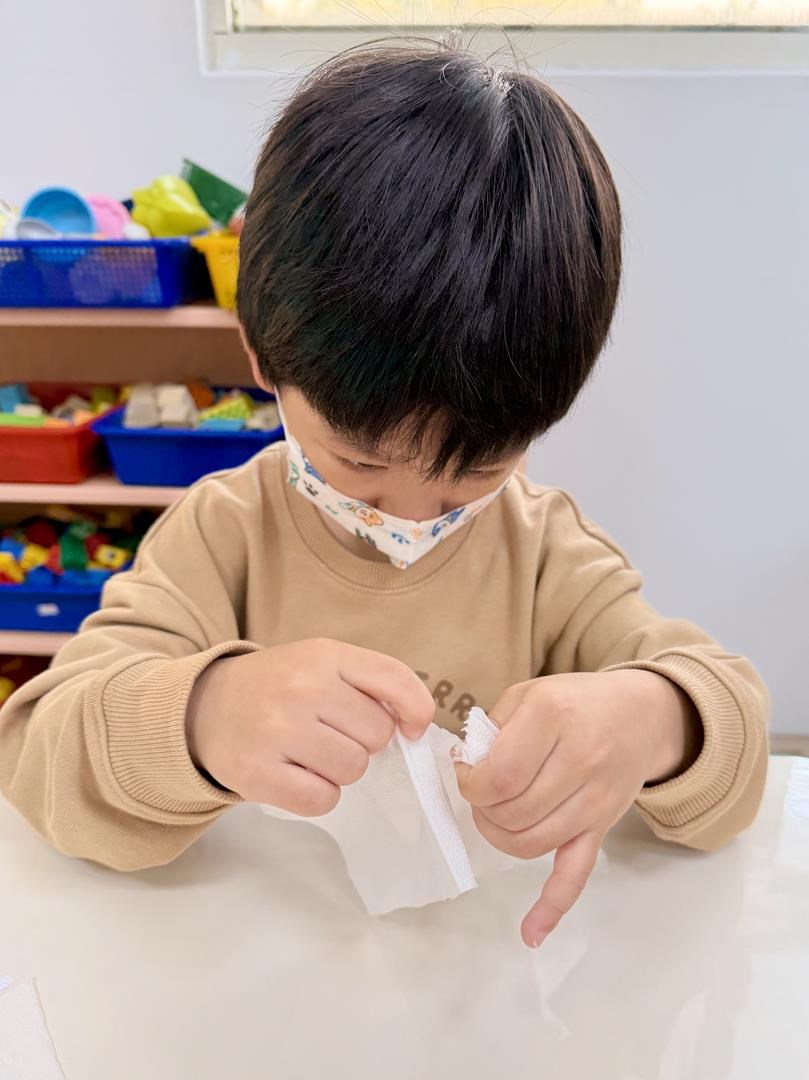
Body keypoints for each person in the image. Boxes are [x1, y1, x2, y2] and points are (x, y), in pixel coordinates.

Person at [0, 43, 767, 947]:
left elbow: (737, 738)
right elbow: (36, 752)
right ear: (261, 359)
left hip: (482, 968)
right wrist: (202, 715)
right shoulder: (223, 532)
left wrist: (656, 720)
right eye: (359, 463)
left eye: (476, 470)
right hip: (263, 963)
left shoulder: (544, 550)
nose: (410, 517)